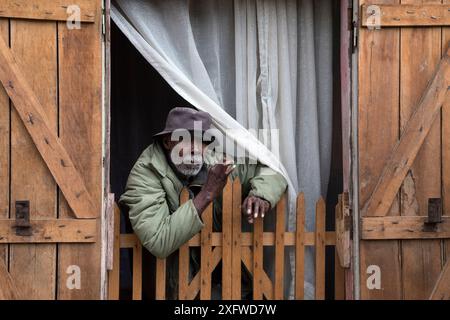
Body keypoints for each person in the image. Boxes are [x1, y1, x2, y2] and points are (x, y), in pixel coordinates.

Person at [119, 107, 287, 299]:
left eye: (201, 141)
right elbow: (159, 240)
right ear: (167, 142)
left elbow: (271, 169)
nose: (194, 148)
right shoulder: (145, 174)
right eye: (185, 139)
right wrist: (207, 193)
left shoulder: (215, 162)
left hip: (224, 285)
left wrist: (262, 194)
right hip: (171, 290)